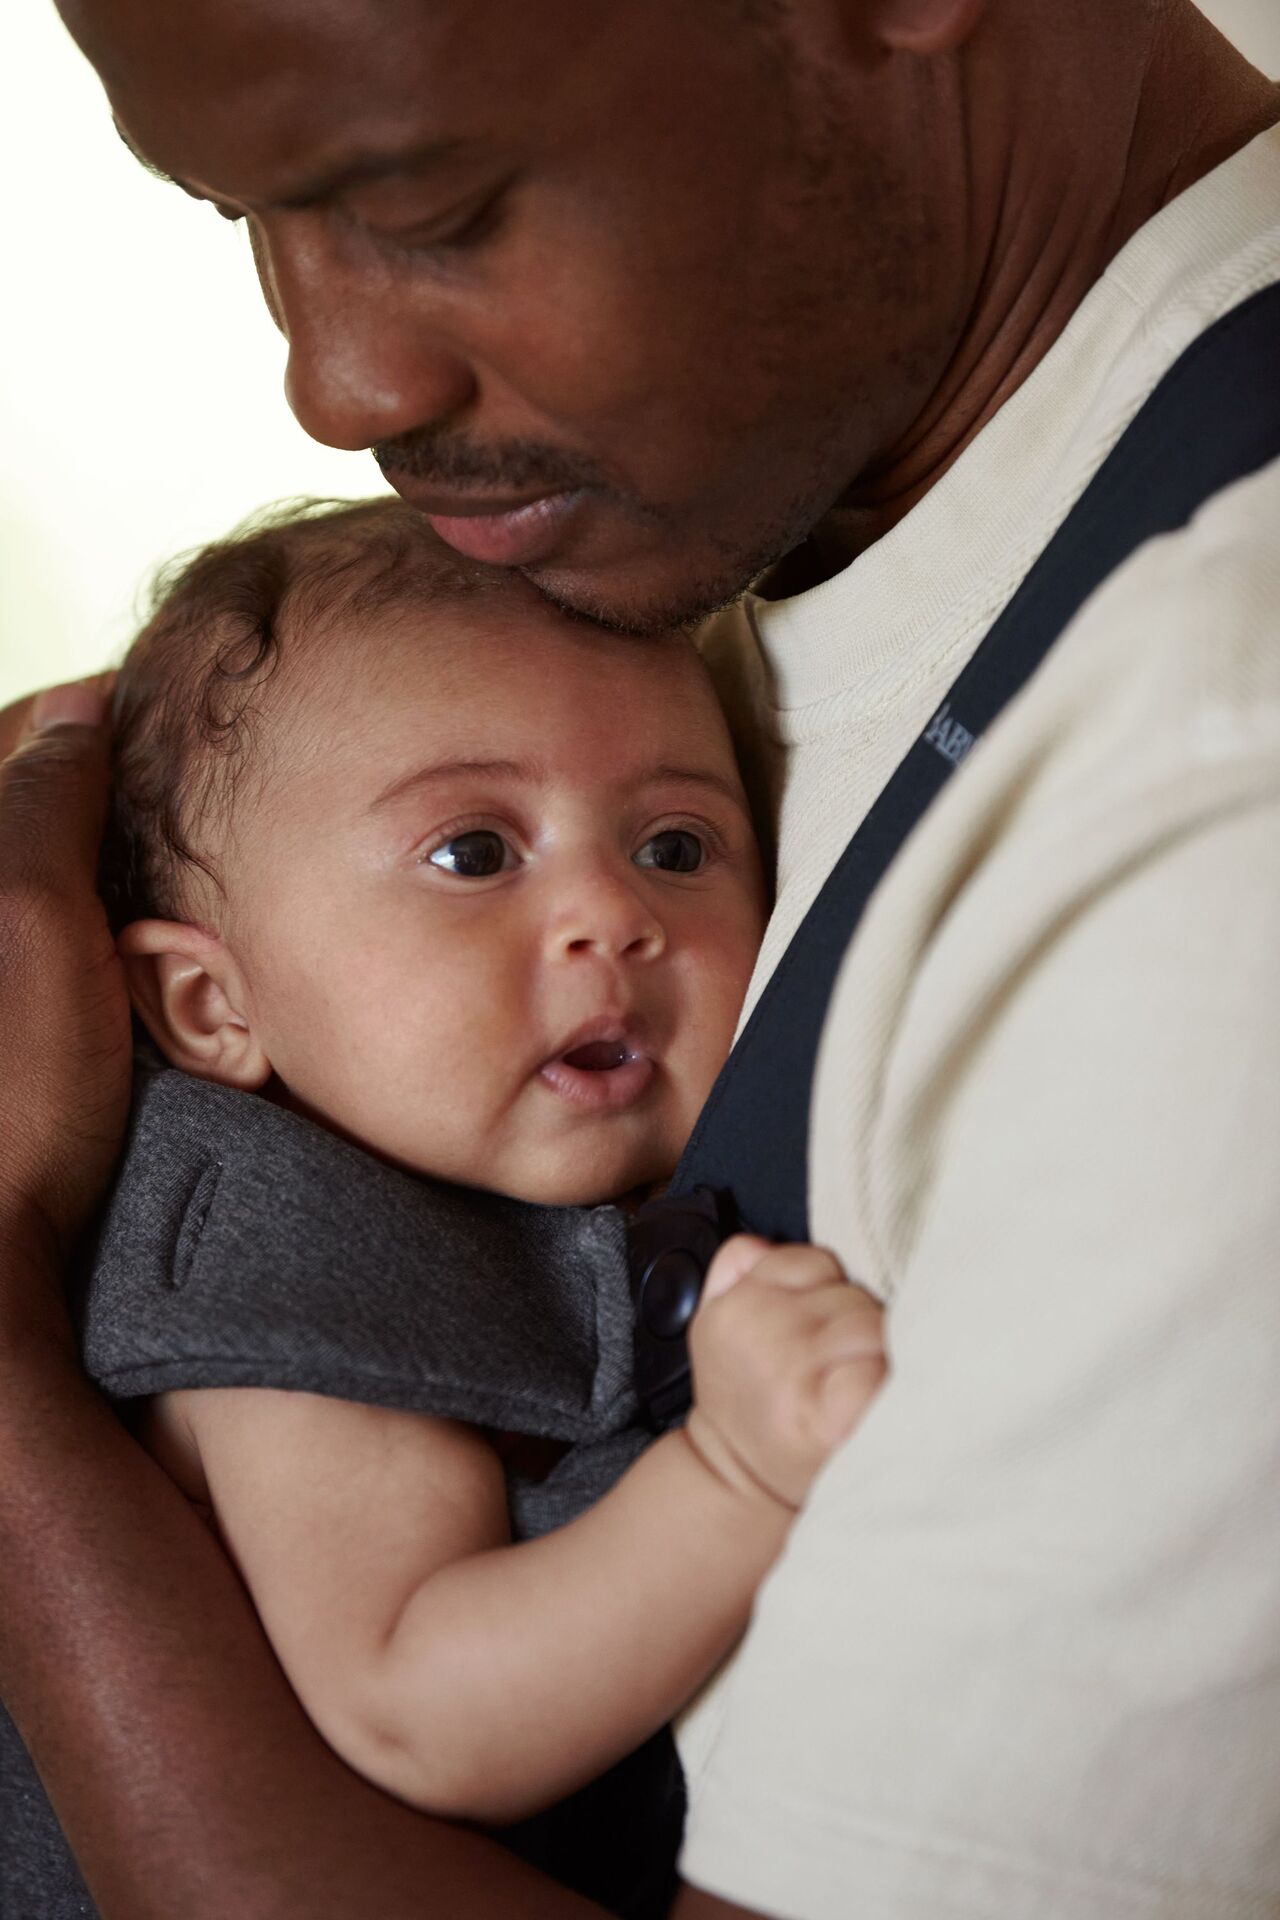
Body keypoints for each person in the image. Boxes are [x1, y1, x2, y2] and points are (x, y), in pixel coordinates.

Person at [1, 1, 1277, 1916]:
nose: (333, 385)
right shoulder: (698, 522)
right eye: (241, 215)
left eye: (425, 201)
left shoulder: (1217, 759)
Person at [85, 495, 880, 1898]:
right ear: (213, 1007)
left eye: (675, 847)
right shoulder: (278, 1252)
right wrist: (738, 1477)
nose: (612, 915)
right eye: (474, 853)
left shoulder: (455, 1176)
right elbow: (415, 1706)